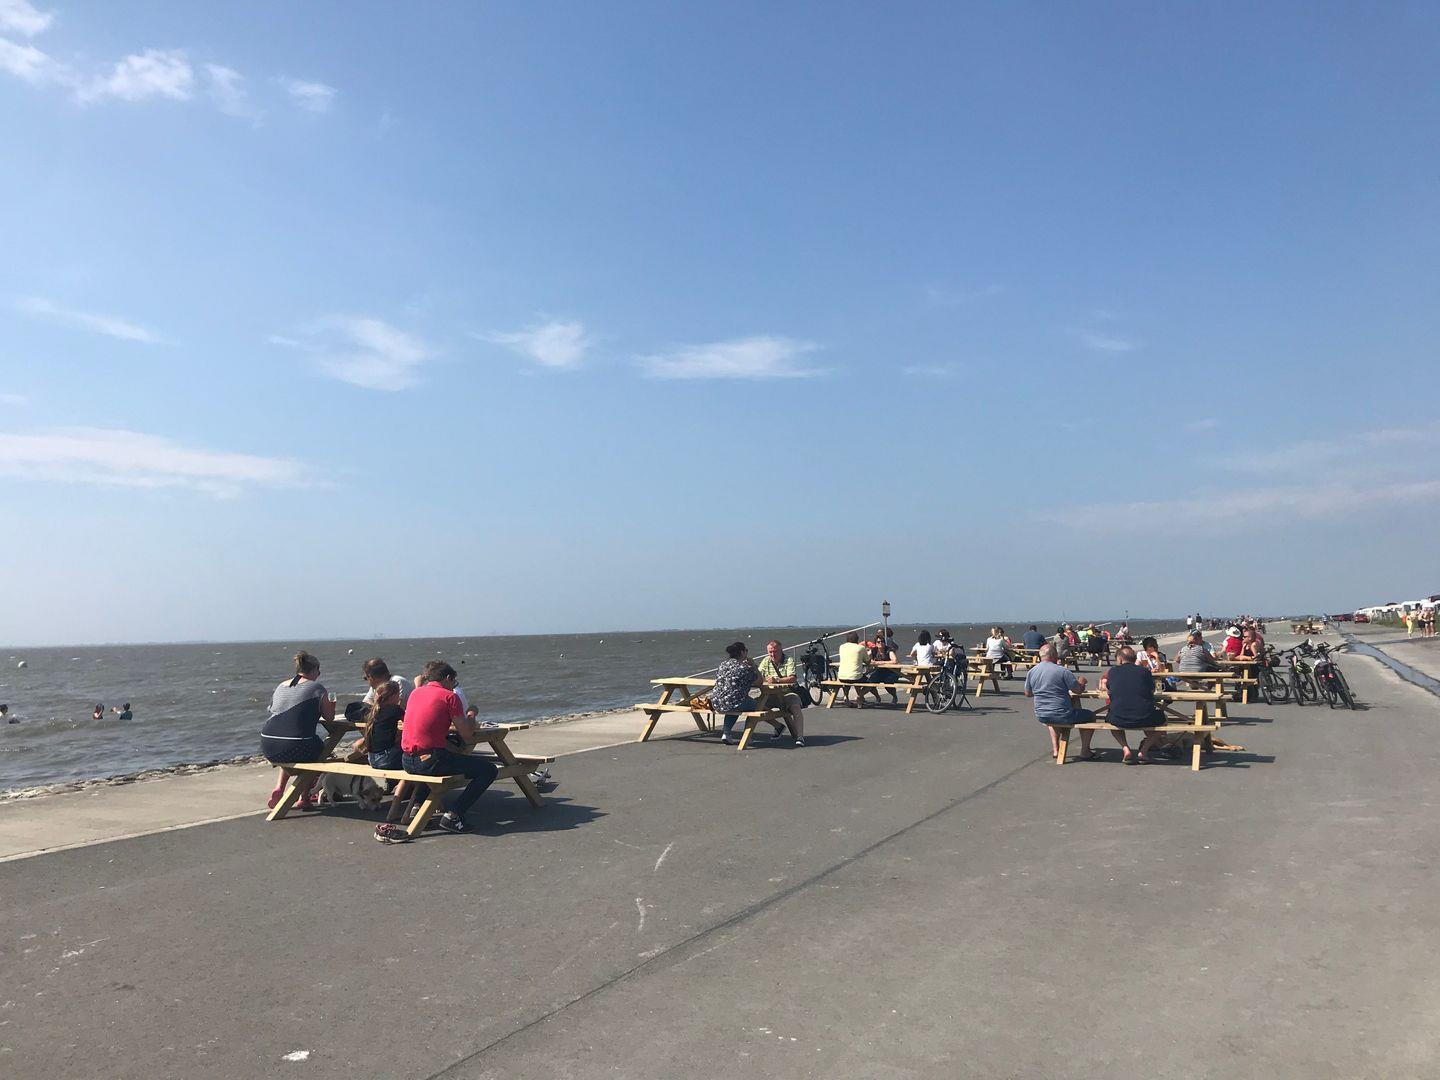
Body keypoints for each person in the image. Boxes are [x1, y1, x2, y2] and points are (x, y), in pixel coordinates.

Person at [399, 661, 494, 833]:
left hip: (407, 760)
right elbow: (467, 734)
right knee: (488, 770)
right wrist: (471, 714)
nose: (453, 686)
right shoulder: (449, 697)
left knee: (438, 761)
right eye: (454, 682)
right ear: (448, 678)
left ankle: (417, 806)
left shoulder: (415, 693)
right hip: (429, 761)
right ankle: (454, 815)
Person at [261, 651, 336, 810]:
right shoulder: (317, 688)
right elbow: (329, 718)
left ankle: (279, 788)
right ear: (314, 670)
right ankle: (304, 797)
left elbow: (274, 710)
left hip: (269, 744)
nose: (319, 675)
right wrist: (331, 706)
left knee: (290, 742)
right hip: (296, 747)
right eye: (318, 671)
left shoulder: (282, 685)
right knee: (318, 752)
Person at [1024, 644, 1094, 759]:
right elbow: (1078, 690)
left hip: (1042, 714)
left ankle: (1056, 750)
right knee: (1090, 716)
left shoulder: (1032, 671)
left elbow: (1028, 693)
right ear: (1054, 655)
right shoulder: (1062, 671)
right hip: (1062, 714)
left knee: (1053, 718)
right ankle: (1085, 750)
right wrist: (1082, 682)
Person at [1100, 646, 1164, 764]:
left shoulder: (1113, 671)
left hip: (1119, 717)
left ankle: (1125, 748)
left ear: (1120, 659)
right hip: (1144, 716)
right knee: (1163, 720)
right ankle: (1143, 751)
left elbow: (1109, 689)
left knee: (1109, 720)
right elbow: (1151, 690)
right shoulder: (1144, 671)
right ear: (1134, 659)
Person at [756, 639, 806, 746]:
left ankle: (800, 736)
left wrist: (777, 680)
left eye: (775, 652)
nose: (773, 654)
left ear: (781, 650)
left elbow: (793, 678)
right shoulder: (766, 660)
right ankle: (778, 726)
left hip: (787, 693)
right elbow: (758, 675)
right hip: (770, 694)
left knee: (795, 707)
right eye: (770, 652)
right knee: (754, 705)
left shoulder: (789, 660)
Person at [711, 641, 763, 743]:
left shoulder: (723, 664)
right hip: (733, 702)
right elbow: (760, 681)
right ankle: (747, 737)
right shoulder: (744, 668)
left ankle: (726, 733)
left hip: (716, 701)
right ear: (742, 652)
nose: (747, 652)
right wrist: (753, 666)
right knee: (756, 706)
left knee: (733, 703)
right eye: (746, 650)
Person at [355, 678, 404, 771]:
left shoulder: (373, 711)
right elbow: (410, 724)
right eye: (398, 694)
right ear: (393, 696)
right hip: (387, 759)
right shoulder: (395, 710)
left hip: (372, 760)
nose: (399, 697)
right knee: (410, 755)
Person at [837, 632, 881, 708]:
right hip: (856, 677)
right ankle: (860, 696)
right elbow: (867, 662)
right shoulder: (860, 648)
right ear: (857, 639)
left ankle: (846, 697)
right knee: (870, 682)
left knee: (847, 681)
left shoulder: (842, 647)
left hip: (841, 676)